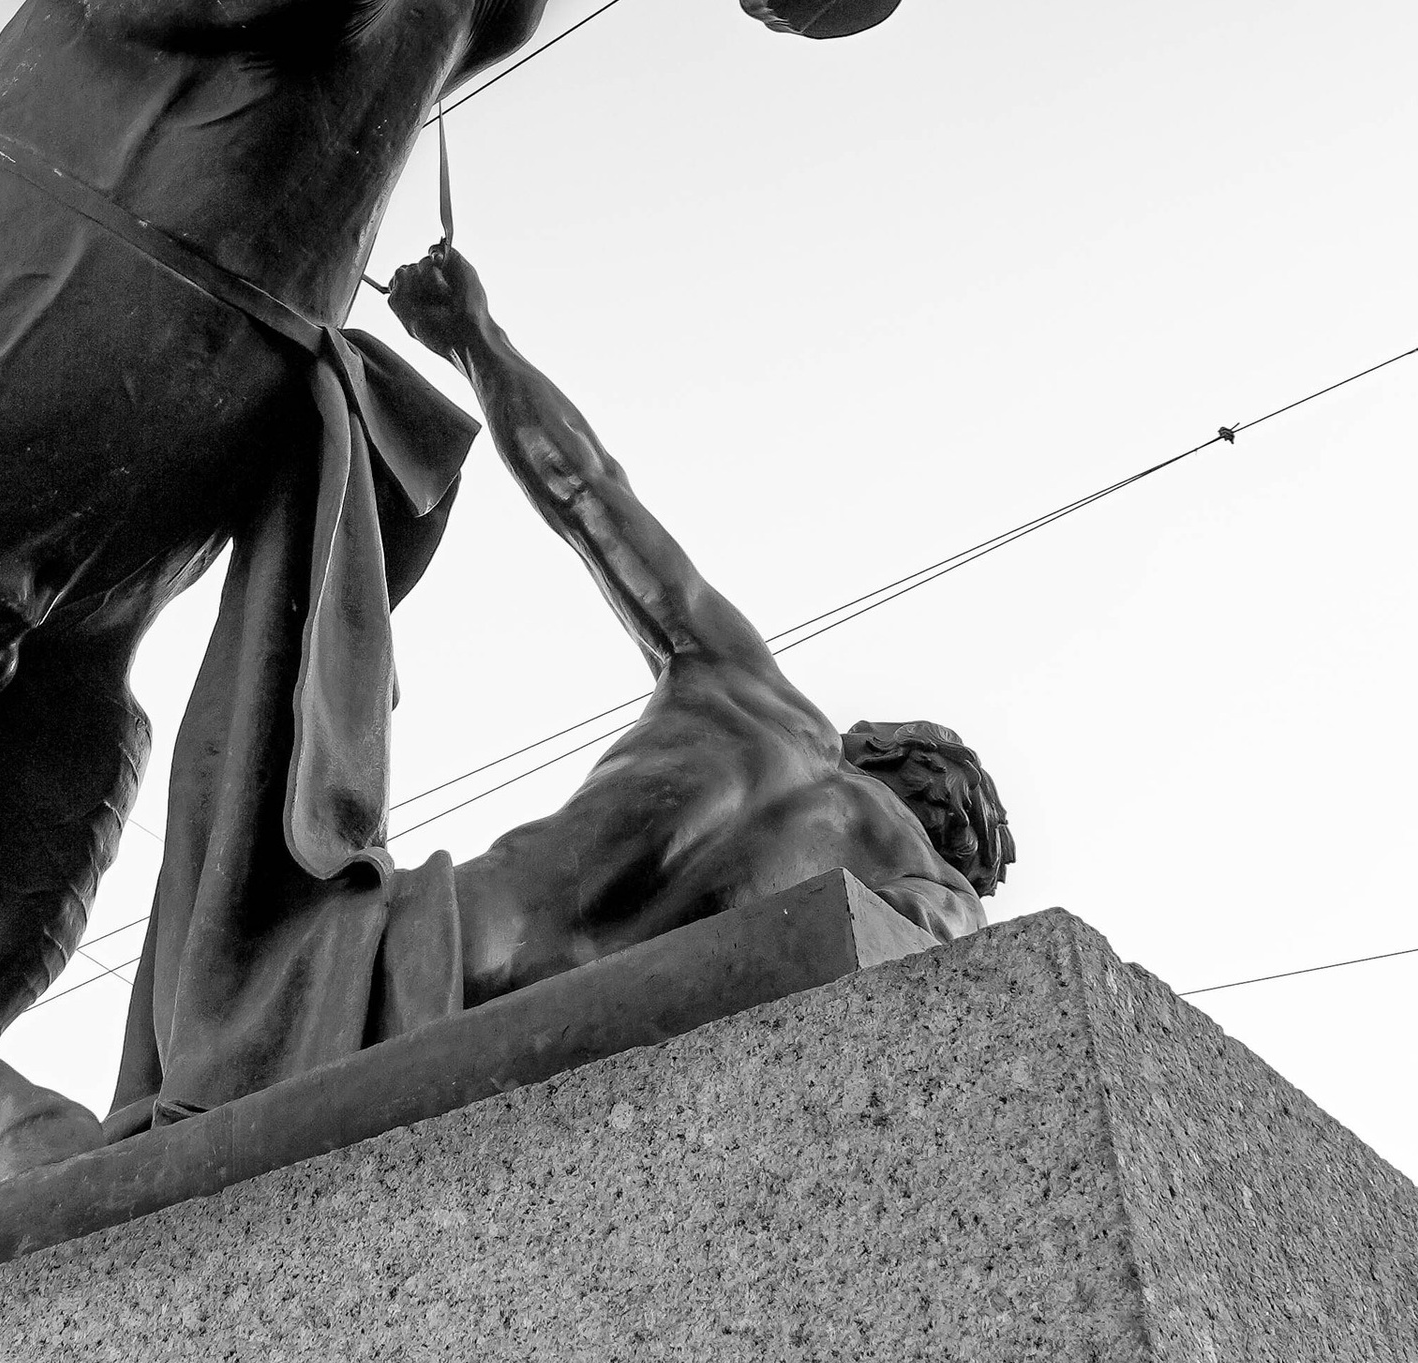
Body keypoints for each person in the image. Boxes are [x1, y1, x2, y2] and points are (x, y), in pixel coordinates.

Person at [383, 243, 1013, 988]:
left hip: (426, 948)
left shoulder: (746, 683)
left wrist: (474, 337)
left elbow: (587, 489)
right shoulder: (945, 904)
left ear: (872, 743)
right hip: (564, 1049)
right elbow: (898, 980)